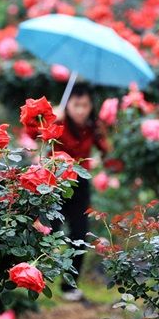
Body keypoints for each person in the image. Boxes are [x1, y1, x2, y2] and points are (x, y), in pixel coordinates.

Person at [45, 84, 110, 302]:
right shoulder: (58, 123)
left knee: (79, 235)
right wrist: (52, 117)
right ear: (68, 104)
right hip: (54, 181)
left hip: (80, 184)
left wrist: (103, 133)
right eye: (76, 105)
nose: (81, 110)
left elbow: (107, 151)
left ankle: (69, 286)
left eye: (85, 105)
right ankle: (34, 278)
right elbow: (34, 133)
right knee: (47, 231)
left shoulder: (92, 127)